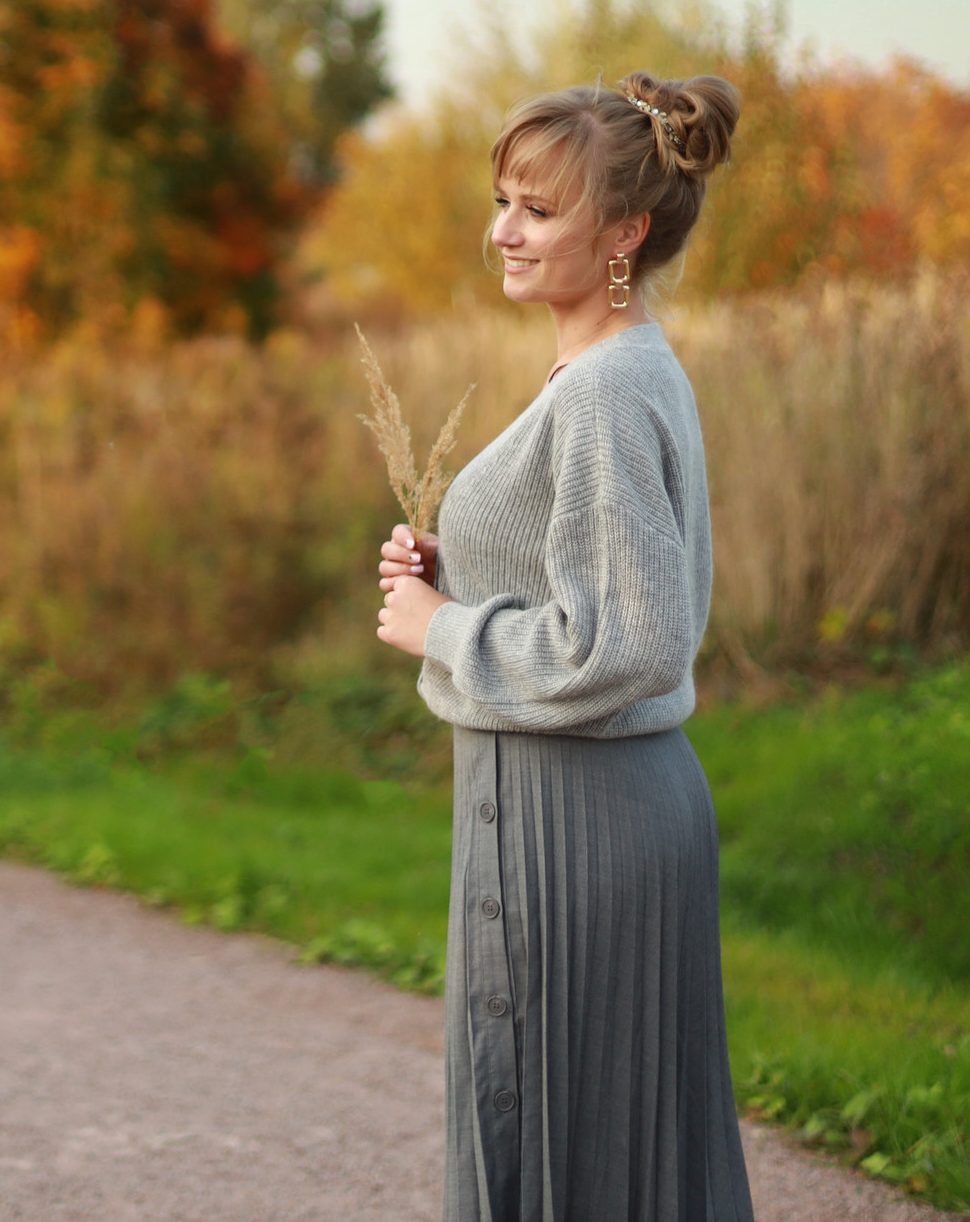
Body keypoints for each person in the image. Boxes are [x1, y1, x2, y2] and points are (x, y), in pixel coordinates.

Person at [374, 74, 753, 1222]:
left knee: (568, 1146)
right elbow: (597, 579)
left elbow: (628, 642)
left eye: (537, 211)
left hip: (576, 827)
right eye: (503, 202)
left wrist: (442, 629)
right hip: (591, 810)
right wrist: (462, 569)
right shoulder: (620, 367)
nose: (503, 231)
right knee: (599, 1153)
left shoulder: (603, 392)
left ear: (625, 232)